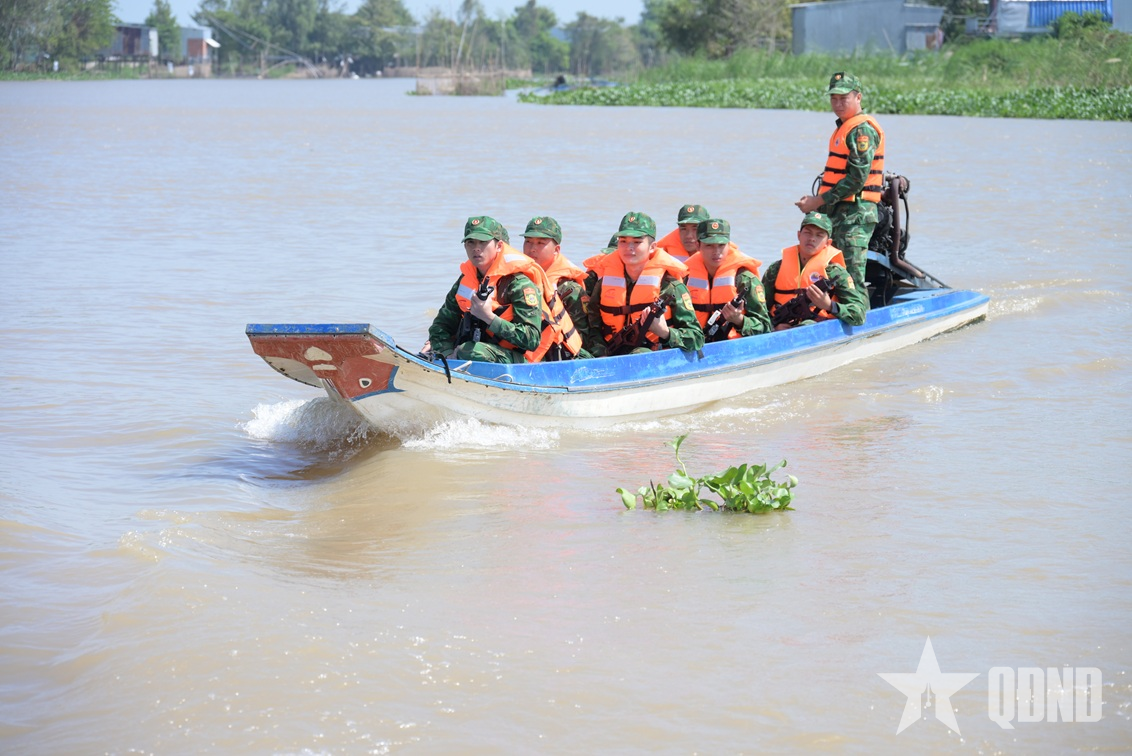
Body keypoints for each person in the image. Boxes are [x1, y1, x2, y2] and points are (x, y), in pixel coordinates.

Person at [425, 215, 582, 363]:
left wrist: (489, 317)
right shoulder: (466, 279)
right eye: (470, 242)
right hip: (488, 350)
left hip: (528, 360)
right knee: (441, 347)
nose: (476, 249)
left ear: (499, 246)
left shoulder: (519, 284)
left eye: (483, 242)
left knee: (470, 351)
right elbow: (440, 326)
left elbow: (531, 339)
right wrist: (446, 353)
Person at [794, 72, 884, 302]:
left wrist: (818, 201)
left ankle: (860, 317)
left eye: (844, 98)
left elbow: (857, 179)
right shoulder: (844, 127)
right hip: (838, 214)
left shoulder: (862, 130)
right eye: (834, 98)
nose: (838, 104)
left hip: (856, 215)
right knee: (830, 273)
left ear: (858, 97)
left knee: (851, 278)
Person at [584, 211, 704, 357]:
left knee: (639, 353)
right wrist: (600, 353)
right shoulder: (604, 284)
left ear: (652, 247)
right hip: (609, 354)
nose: (629, 247)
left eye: (637, 242)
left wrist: (665, 333)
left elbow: (697, 338)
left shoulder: (671, 287)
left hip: (654, 356)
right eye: (623, 241)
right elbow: (593, 327)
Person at [762, 212, 867, 329]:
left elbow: (859, 315)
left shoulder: (835, 272)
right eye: (807, 233)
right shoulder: (775, 269)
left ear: (828, 243)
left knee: (807, 325)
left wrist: (829, 305)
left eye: (819, 235)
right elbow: (760, 310)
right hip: (780, 328)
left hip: (819, 329)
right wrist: (773, 327)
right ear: (799, 235)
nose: (812, 239)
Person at [521, 215, 598, 357]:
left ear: (556, 249)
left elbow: (583, 339)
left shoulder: (570, 290)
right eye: (528, 241)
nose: (532, 248)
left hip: (562, 354)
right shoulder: (518, 281)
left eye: (540, 243)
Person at [683, 218, 771, 341]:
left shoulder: (745, 280)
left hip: (735, 346)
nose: (716, 252)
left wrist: (739, 320)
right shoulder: (685, 277)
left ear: (729, 245)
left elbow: (766, 328)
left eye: (721, 245)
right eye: (709, 245)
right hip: (696, 344)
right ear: (698, 245)